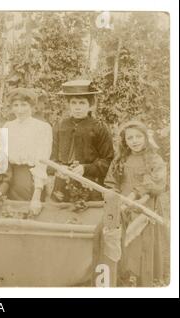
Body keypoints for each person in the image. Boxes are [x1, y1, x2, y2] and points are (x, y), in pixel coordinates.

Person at [104, 120, 167, 285]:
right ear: (124, 141)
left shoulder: (153, 159)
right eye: (130, 138)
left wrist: (137, 196)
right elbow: (112, 182)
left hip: (145, 204)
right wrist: (115, 196)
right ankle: (125, 273)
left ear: (146, 137)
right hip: (123, 205)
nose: (135, 141)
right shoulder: (120, 160)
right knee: (124, 238)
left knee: (142, 240)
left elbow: (157, 182)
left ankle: (141, 275)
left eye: (139, 136)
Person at [51, 80, 114, 204]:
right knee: (61, 215)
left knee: (88, 216)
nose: (77, 107)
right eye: (73, 103)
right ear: (68, 104)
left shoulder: (99, 127)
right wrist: (59, 167)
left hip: (90, 183)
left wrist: (85, 168)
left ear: (90, 105)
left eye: (82, 103)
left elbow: (108, 160)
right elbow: (52, 156)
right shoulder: (60, 125)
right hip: (63, 182)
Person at [2, 87, 52, 216]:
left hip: (30, 180)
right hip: (9, 179)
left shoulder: (42, 128)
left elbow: (42, 162)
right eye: (16, 105)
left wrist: (37, 195)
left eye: (24, 105)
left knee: (29, 217)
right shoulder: (8, 126)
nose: (20, 110)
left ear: (32, 106)